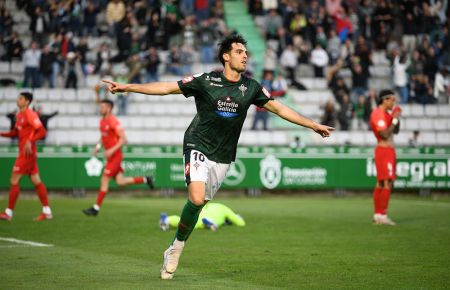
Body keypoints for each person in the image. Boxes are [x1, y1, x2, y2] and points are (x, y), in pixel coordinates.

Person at [102, 34, 334, 280]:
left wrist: (312, 125)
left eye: (246, 52)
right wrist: (128, 87)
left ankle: (175, 243)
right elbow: (166, 88)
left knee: (200, 204)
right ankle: (176, 248)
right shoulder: (206, 80)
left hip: (223, 155)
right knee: (197, 196)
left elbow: (279, 108)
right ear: (226, 56)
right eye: (239, 52)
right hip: (197, 143)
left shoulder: (251, 87)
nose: (245, 55)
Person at [82, 100, 154, 216]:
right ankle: (146, 179)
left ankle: (95, 208)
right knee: (120, 181)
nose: (100, 108)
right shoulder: (102, 121)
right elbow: (103, 136)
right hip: (111, 157)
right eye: (100, 106)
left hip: (115, 156)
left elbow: (124, 139)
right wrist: (98, 146)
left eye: (103, 107)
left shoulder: (113, 121)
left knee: (104, 180)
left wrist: (111, 150)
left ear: (109, 108)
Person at [0, 92, 52, 221]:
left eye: (21, 98)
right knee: (36, 181)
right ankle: (47, 211)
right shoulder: (19, 115)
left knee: (14, 179)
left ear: (27, 101)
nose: (18, 100)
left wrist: (31, 140)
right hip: (26, 153)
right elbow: (15, 133)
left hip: (27, 154)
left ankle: (8, 213)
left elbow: (42, 131)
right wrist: (2, 134)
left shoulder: (30, 114)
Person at [369, 90, 401, 226]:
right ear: (385, 100)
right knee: (386, 182)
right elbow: (384, 134)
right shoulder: (378, 114)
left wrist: (395, 118)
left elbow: (396, 131)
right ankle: (382, 215)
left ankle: (378, 215)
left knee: (382, 182)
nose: (393, 102)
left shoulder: (386, 114)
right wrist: (394, 118)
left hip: (388, 150)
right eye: (392, 99)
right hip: (384, 150)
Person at [159, 203, 245, 232]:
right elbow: (240, 223)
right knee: (215, 220)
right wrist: (238, 218)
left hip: (201, 213)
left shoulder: (212, 205)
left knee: (186, 222)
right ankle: (211, 223)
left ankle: (167, 220)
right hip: (212, 217)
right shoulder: (225, 209)